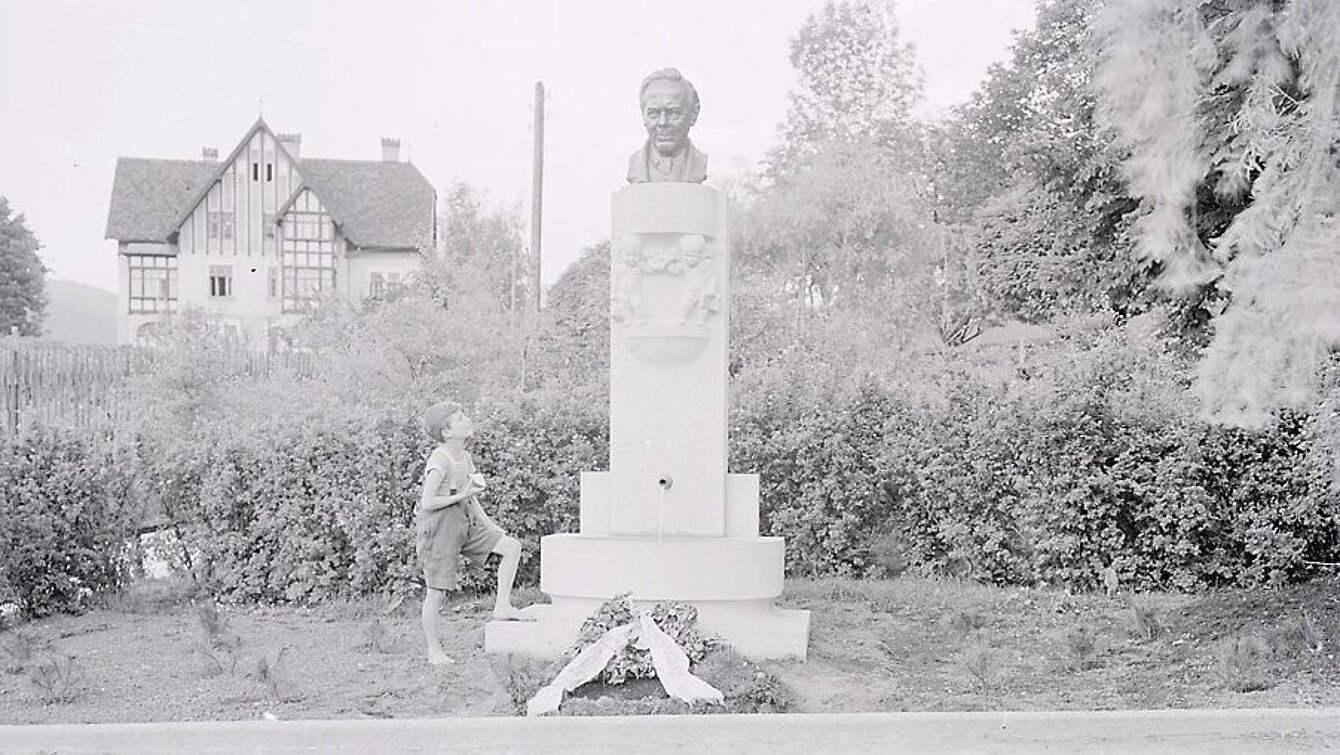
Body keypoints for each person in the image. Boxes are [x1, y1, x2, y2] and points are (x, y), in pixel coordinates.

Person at [417, 401, 530, 665]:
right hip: (439, 527)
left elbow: (471, 499)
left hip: (462, 520)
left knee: (511, 547)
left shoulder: (464, 457)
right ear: (446, 432)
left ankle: (502, 606)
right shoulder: (439, 460)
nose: (467, 419)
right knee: (437, 591)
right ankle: (434, 651)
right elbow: (427, 502)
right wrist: (464, 495)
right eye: (459, 418)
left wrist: (491, 526)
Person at [627, 68, 709, 184]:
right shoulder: (635, 165)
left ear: (693, 114)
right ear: (643, 115)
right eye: (653, 113)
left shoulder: (699, 163)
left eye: (673, 112)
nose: (662, 123)